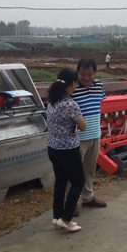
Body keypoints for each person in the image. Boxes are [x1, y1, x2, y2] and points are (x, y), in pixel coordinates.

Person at [46, 68, 87, 232]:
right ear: (73, 84)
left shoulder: (52, 101)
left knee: (61, 181)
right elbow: (82, 126)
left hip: (53, 147)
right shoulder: (70, 104)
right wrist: (76, 125)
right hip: (68, 149)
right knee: (78, 181)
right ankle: (66, 218)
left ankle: (57, 217)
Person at [70, 59, 108, 214]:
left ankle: (87, 197)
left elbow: (98, 107)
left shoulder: (99, 86)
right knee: (73, 172)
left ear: (95, 73)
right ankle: (70, 202)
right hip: (77, 139)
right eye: (82, 74)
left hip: (95, 135)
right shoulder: (72, 88)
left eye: (90, 74)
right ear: (77, 73)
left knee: (90, 169)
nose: (86, 78)